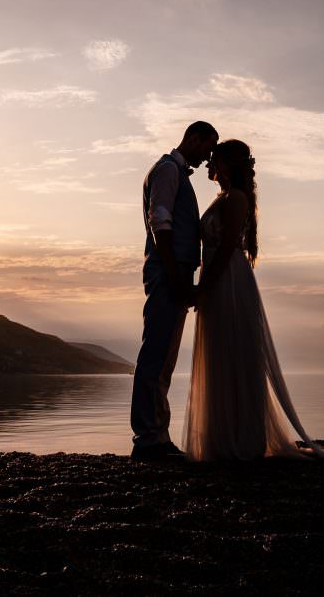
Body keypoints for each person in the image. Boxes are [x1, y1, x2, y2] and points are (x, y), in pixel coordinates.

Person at [182, 139, 324, 463]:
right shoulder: (222, 198)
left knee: (236, 352)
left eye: (217, 159)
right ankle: (222, 436)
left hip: (230, 283)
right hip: (217, 279)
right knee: (220, 352)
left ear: (230, 165)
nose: (210, 164)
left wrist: (203, 288)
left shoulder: (236, 198)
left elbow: (226, 250)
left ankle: (244, 437)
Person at [131, 121, 219, 461]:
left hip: (175, 270)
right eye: (207, 147)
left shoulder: (175, 173)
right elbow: (160, 221)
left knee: (165, 354)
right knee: (157, 351)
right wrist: (173, 272)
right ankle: (149, 439)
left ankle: (155, 434)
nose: (208, 156)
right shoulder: (168, 170)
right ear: (193, 138)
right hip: (168, 271)